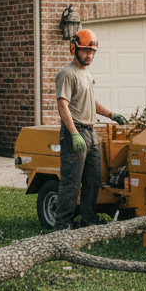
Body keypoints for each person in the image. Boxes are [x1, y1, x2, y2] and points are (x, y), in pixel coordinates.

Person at [53, 28, 128, 230]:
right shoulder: (66, 74)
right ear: (74, 49)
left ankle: (88, 219)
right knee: (71, 181)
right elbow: (63, 105)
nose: (90, 55)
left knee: (94, 180)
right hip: (75, 133)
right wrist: (74, 134)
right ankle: (62, 225)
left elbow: (90, 101)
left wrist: (111, 115)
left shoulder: (85, 73)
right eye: (86, 51)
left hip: (91, 132)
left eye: (93, 51)